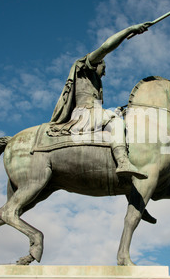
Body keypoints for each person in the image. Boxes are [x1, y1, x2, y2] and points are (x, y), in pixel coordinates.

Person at [48, 22, 152, 179]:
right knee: (118, 123)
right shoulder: (84, 67)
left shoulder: (96, 83)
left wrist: (115, 111)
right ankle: (123, 162)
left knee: (116, 117)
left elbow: (97, 109)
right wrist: (130, 30)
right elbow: (105, 47)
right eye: (104, 68)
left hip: (92, 115)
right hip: (83, 116)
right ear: (97, 63)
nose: (105, 73)